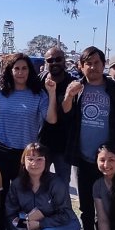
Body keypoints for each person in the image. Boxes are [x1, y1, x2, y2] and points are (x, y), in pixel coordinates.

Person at [61, 46, 115, 230]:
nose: (92, 67)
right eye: (88, 63)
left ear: (103, 66)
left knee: (111, 206)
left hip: (110, 162)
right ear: (80, 66)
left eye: (97, 63)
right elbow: (65, 114)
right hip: (84, 158)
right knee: (86, 204)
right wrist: (68, 95)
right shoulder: (77, 88)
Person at [0, 53, 57, 197]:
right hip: (0, 150)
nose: (20, 72)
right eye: (16, 68)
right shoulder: (0, 93)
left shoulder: (39, 94)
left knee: (24, 196)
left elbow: (51, 119)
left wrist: (52, 93)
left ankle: (20, 220)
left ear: (30, 71)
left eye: (24, 68)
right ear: (10, 71)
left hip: (26, 155)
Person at [37, 46, 74, 185]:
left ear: (64, 61)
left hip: (64, 145)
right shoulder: (38, 82)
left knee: (63, 185)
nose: (54, 63)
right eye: (50, 60)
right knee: (38, 182)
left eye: (58, 59)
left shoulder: (72, 83)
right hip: (42, 142)